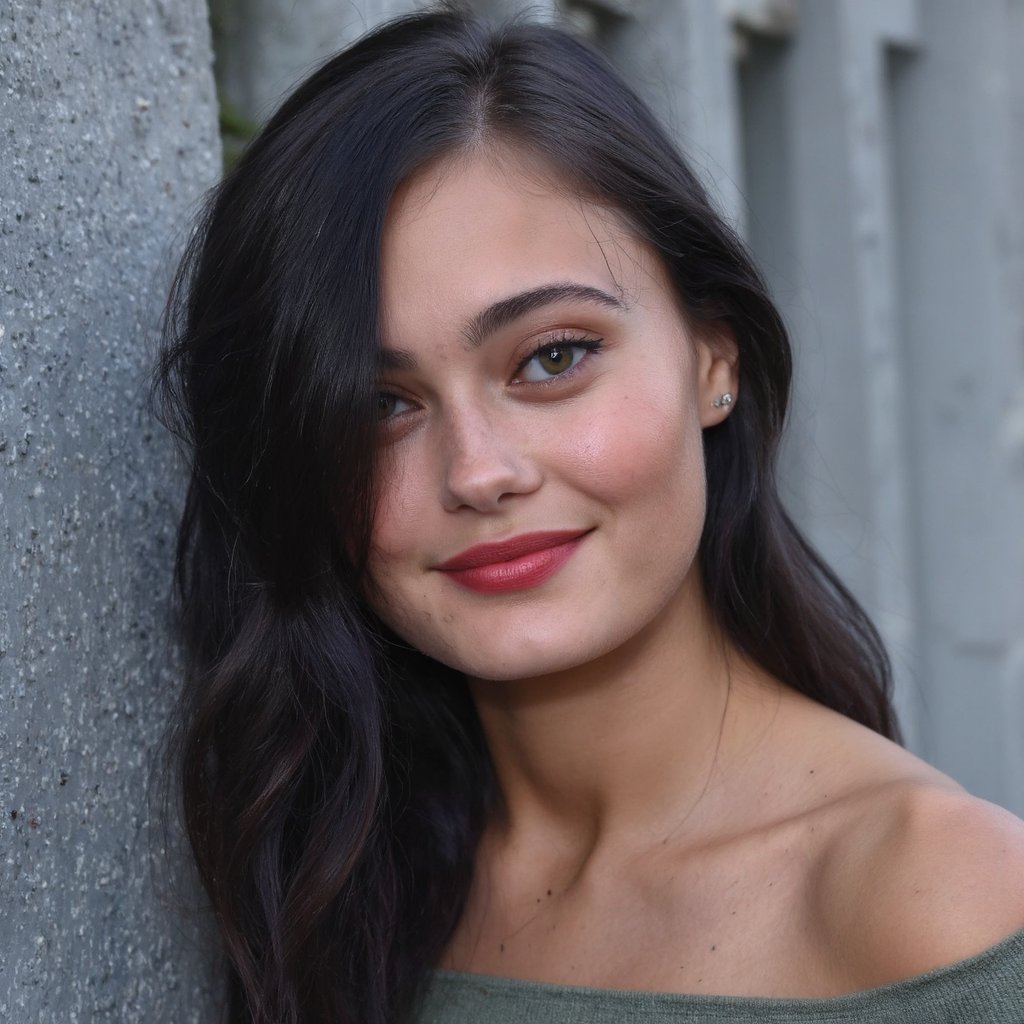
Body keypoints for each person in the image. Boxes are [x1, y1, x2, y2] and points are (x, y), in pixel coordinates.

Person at [156, 10, 1024, 1024]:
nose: (478, 471)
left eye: (552, 357)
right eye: (379, 405)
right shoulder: (329, 879)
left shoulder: (945, 902)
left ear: (714, 357)